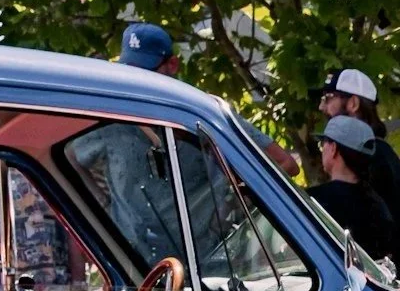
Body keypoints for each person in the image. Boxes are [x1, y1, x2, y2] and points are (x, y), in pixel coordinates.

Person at [116, 22, 302, 176]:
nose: (136, 81)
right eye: (129, 71)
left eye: (146, 72)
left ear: (172, 65)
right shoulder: (108, 117)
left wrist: (240, 200)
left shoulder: (203, 113)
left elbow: (286, 164)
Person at [317, 67, 400, 275]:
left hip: (369, 285)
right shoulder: (382, 153)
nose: (322, 107)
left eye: (329, 98)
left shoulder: (374, 157)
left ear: (353, 104)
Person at [307, 114, 397, 266]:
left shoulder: (314, 200)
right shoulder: (379, 203)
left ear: (334, 148)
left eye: (324, 144)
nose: (322, 149)